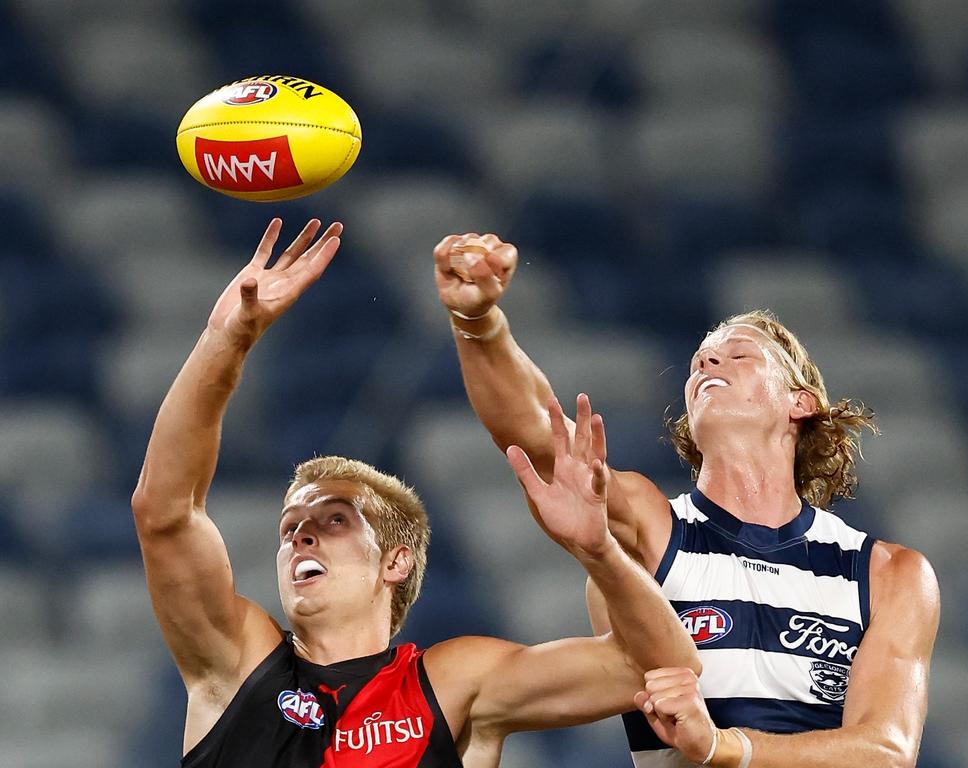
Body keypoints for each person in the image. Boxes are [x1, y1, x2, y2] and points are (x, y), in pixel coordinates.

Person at [130, 218, 702, 768]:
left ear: (395, 561)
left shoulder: (453, 684)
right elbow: (164, 513)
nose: (300, 533)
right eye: (290, 528)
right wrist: (224, 342)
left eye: (334, 520)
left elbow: (656, 668)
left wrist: (600, 550)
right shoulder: (238, 663)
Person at [433, 232, 941, 768]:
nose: (706, 367)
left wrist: (724, 747)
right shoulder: (650, 524)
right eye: (699, 363)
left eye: (737, 354)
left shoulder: (889, 572)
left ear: (801, 402)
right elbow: (538, 434)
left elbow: (886, 749)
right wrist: (480, 323)